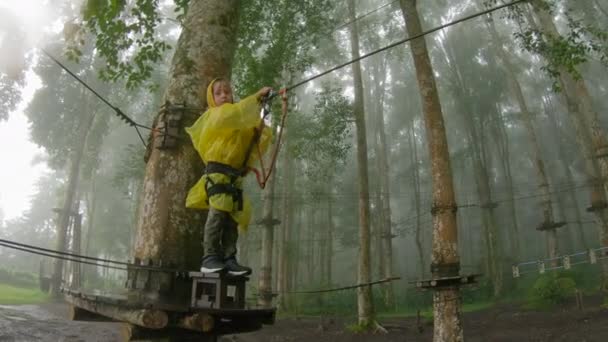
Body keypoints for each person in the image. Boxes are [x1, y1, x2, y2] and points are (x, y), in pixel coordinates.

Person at [185, 78, 273, 276]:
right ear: (212, 98)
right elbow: (233, 115)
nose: (224, 95)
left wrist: (262, 119)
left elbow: (255, 138)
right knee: (217, 214)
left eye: (227, 92)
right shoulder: (215, 115)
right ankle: (209, 257)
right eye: (218, 92)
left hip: (234, 177)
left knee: (232, 219)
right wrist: (256, 97)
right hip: (217, 174)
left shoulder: (237, 120)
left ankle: (229, 257)